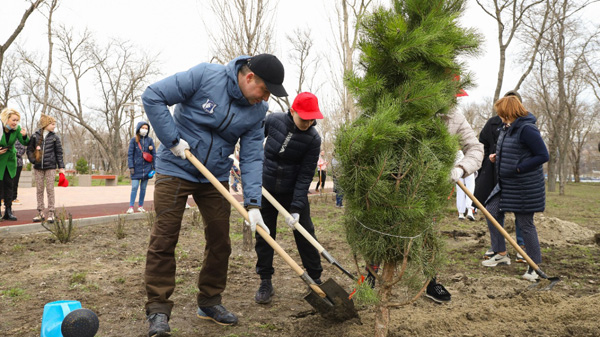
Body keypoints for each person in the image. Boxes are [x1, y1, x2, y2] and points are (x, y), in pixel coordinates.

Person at [141, 53, 287, 336]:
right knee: (165, 237)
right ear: (248, 78)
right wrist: (172, 140)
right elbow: (153, 95)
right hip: (176, 166)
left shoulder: (258, 111)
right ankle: (158, 309)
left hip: (215, 177)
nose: (265, 98)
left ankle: (209, 301)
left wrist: (253, 203)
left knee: (221, 241)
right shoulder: (205, 76)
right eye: (264, 90)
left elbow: (253, 156)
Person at [254, 92, 324, 304]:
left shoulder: (313, 139)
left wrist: (295, 207)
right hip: (265, 189)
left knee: (305, 234)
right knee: (265, 235)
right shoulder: (273, 121)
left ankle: (316, 279)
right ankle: (265, 281)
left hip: (293, 191)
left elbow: (305, 175)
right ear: (292, 111)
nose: (308, 122)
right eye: (304, 118)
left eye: (312, 119)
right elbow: (254, 141)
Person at [481, 95, 549, 282]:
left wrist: (519, 168)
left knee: (525, 224)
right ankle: (501, 252)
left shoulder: (527, 129)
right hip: (507, 183)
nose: (500, 117)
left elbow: (543, 155)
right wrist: (497, 157)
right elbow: (513, 151)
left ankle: (534, 267)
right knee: (491, 211)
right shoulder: (507, 128)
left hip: (525, 186)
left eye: (502, 113)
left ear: (509, 112)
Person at [475, 90, 526, 263]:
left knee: (521, 212)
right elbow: (481, 146)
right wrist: (486, 160)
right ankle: (499, 249)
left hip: (516, 177)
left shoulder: (525, 127)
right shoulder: (493, 124)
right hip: (494, 176)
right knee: (493, 210)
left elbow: (535, 154)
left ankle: (522, 247)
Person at [26, 114, 65, 223]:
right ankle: (40, 212)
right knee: (39, 189)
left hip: (50, 167)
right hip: (38, 168)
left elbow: (59, 153)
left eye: (54, 124)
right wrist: (33, 160)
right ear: (45, 124)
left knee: (50, 189)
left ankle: (51, 212)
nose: (54, 126)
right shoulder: (34, 136)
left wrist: (61, 167)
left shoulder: (55, 137)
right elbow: (29, 150)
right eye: (52, 124)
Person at [0, 108, 29, 221]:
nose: (15, 122)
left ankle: (8, 211)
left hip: (10, 161)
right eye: (13, 120)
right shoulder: (0, 128)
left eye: (17, 120)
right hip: (0, 160)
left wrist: (25, 135)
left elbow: (24, 142)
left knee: (9, 185)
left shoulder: (16, 129)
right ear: (6, 119)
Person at [126, 121, 156, 214]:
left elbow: (154, 154)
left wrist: (154, 166)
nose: (144, 130)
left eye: (146, 128)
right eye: (143, 128)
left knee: (143, 188)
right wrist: (131, 166)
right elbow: (130, 154)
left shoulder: (150, 140)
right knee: (134, 187)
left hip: (147, 169)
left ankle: (140, 206)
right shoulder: (134, 140)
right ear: (139, 129)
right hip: (136, 168)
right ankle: (131, 206)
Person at [454, 150, 475, 220]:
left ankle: (461, 213)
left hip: (459, 166)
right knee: (470, 189)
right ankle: (468, 210)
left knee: (460, 190)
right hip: (467, 165)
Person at [12, 139, 27, 205]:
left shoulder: (20, 140)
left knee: (15, 181)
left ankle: (14, 198)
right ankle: (3, 198)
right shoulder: (4, 137)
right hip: (6, 163)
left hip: (18, 164)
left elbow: (22, 151)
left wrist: (12, 152)